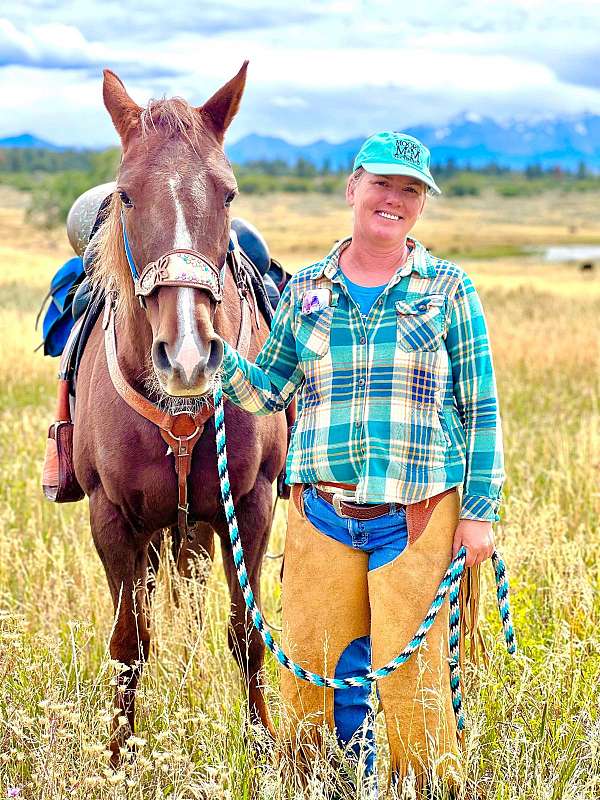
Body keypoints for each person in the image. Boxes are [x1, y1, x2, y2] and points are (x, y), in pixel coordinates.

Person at [219, 132, 504, 794]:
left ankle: (426, 787)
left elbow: (481, 406)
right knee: (318, 675)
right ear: (352, 189)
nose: (394, 200)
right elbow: (269, 390)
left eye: (410, 190)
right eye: (382, 184)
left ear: (421, 206)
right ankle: (334, 787)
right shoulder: (310, 291)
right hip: (322, 512)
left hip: (419, 514)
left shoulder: (448, 289)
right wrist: (213, 358)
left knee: (415, 681)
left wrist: (480, 515)